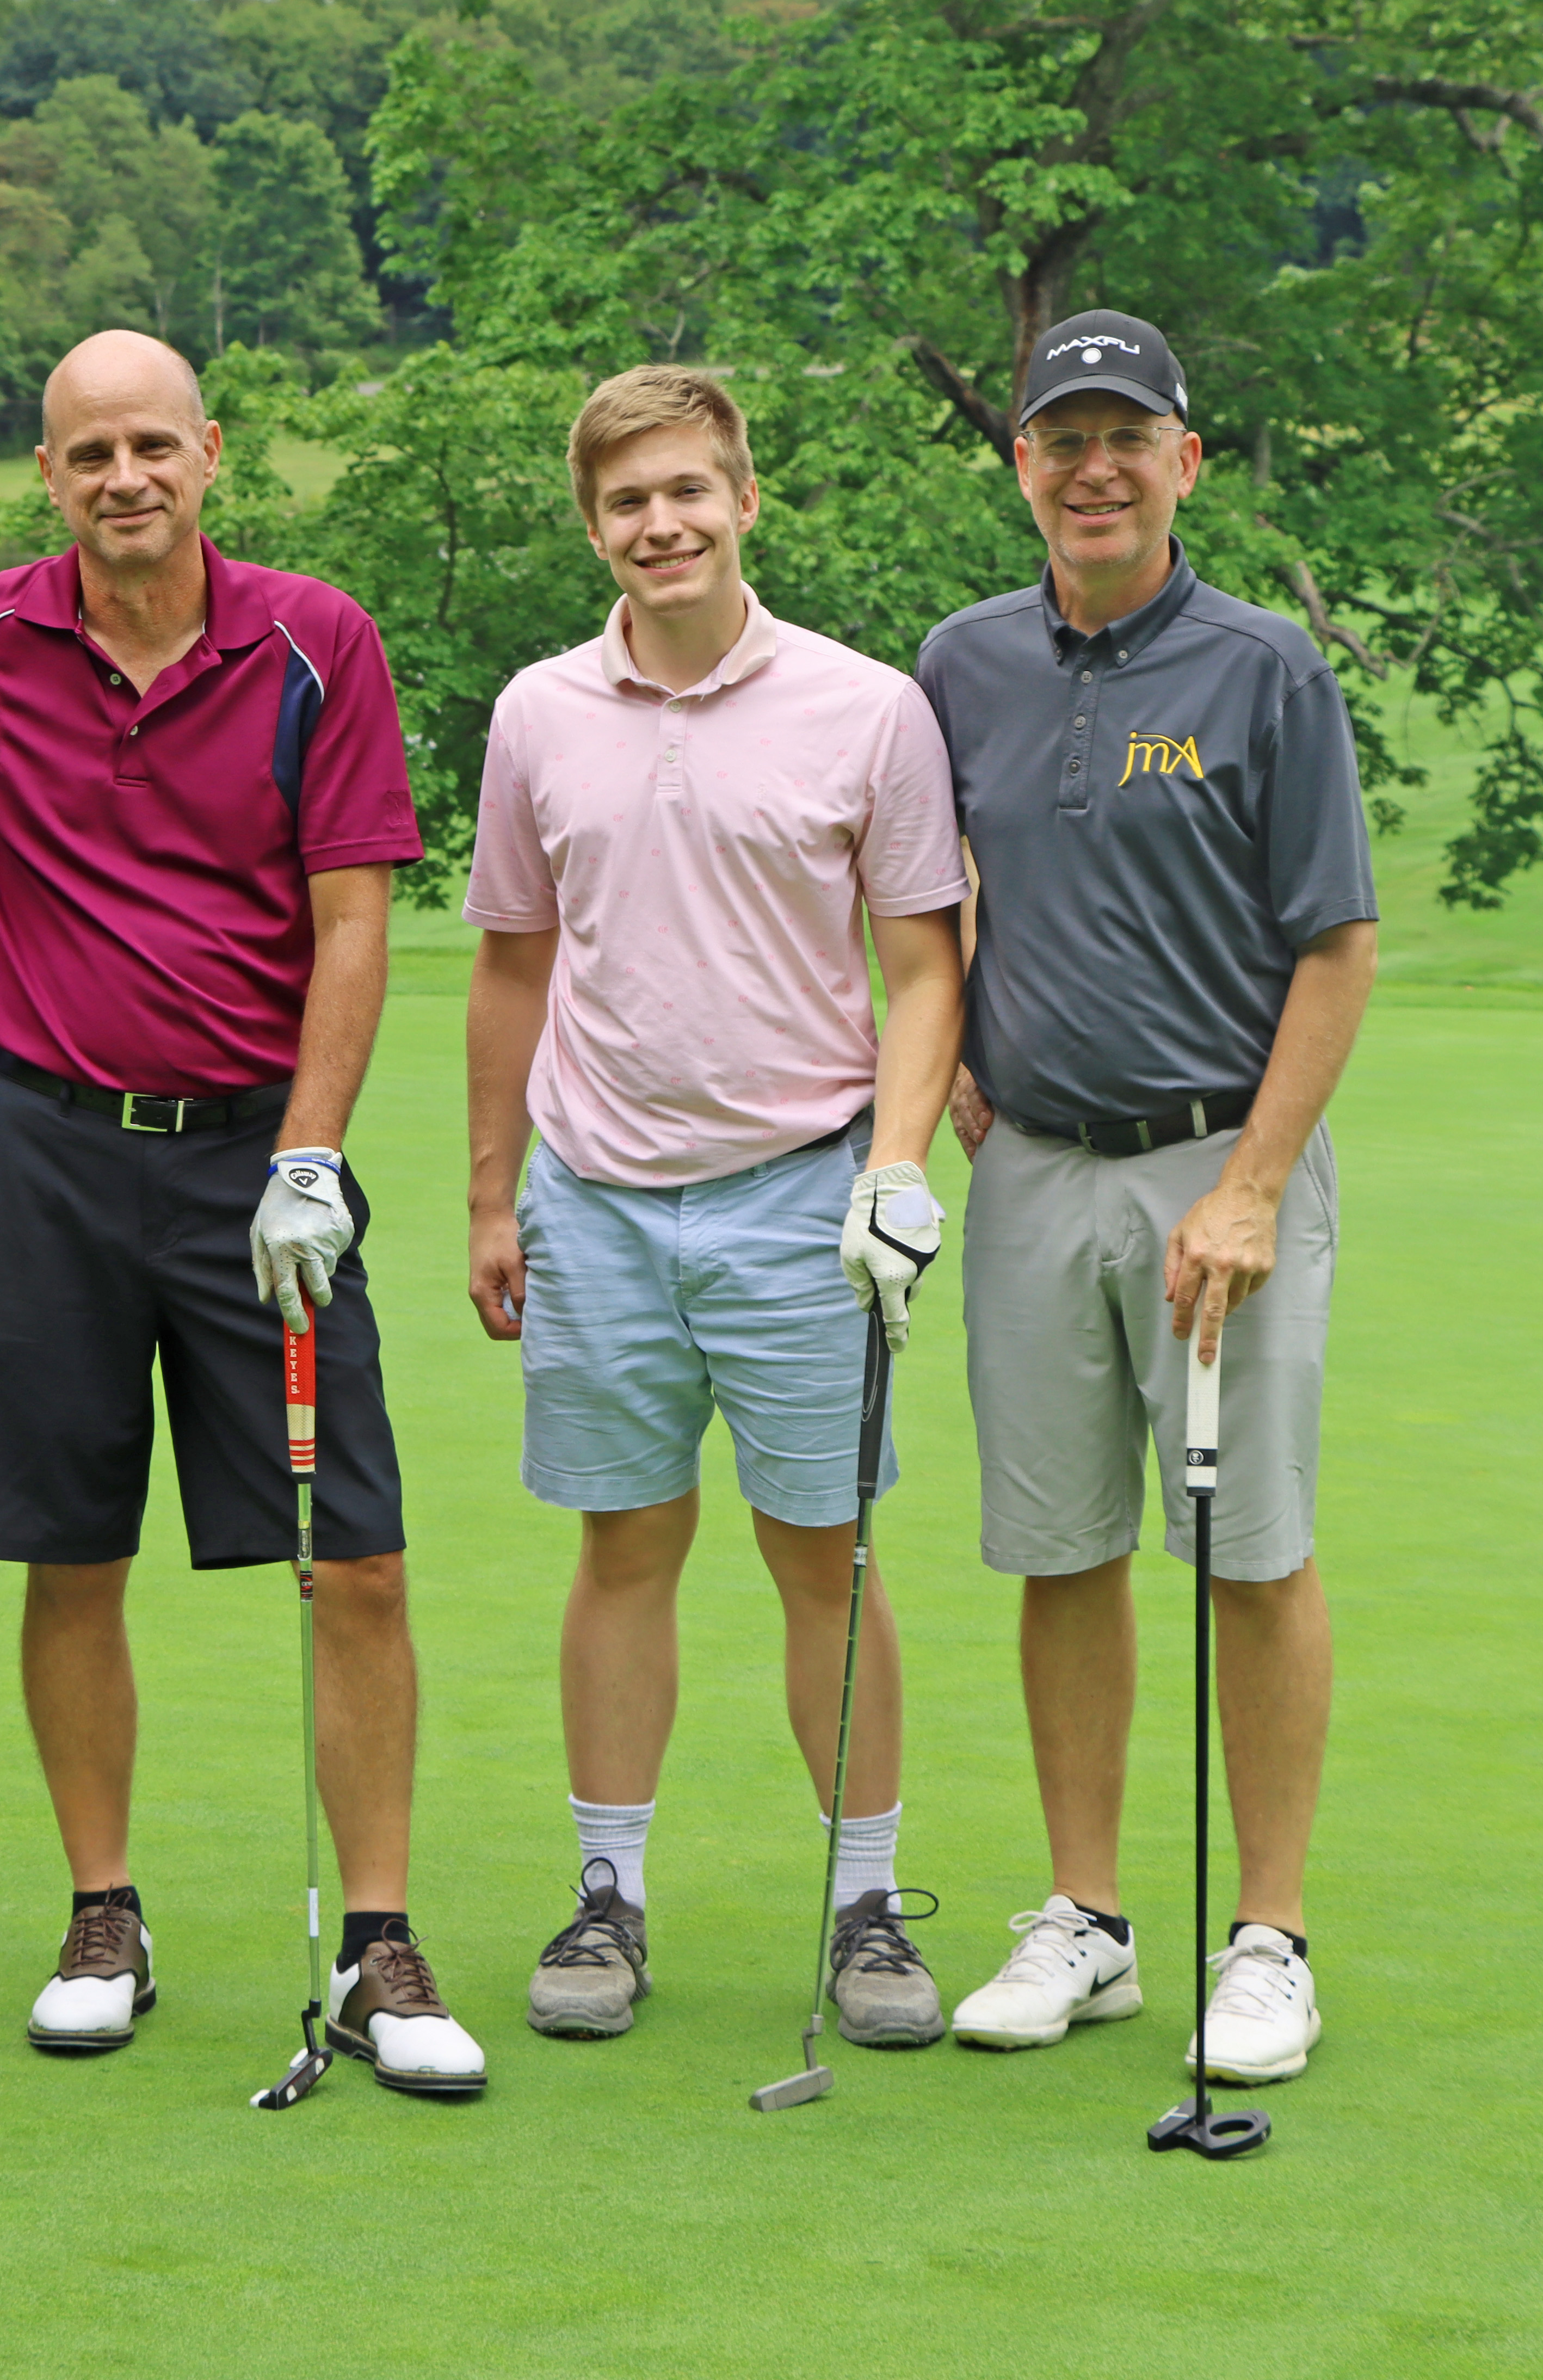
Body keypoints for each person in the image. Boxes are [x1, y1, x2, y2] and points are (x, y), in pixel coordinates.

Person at [0, 330, 485, 2095]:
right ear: (48, 477)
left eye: (153, 447)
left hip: (251, 1161)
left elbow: (355, 915)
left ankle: (377, 1943)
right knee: (73, 1546)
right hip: (43, 1149)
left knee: (351, 1550)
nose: (124, 478)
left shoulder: (312, 640)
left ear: (209, 456)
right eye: (88, 455)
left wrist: (310, 1149)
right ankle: (103, 1909)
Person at [462, 366, 972, 2050]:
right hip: (596, 1202)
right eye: (626, 503)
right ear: (594, 525)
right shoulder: (539, 710)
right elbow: (513, 968)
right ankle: (609, 1898)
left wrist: (896, 1168)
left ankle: (866, 1907)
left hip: (798, 1199)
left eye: (689, 490)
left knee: (824, 1557)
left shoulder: (868, 708)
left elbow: (922, 966)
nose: (660, 525)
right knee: (624, 1549)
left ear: (747, 498)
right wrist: (490, 1198)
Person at [917, 310, 1378, 2083]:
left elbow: (1335, 951)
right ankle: (1089, 1923)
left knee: (1249, 1552)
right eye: (1062, 437)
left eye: (1130, 436)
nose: (1093, 466)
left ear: (1187, 463)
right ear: (1021, 465)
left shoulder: (1266, 669)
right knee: (1060, 1550)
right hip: (1032, 1169)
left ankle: (1268, 1939)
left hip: (1219, 1166)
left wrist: (1253, 1187)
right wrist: (950, 1066)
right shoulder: (958, 664)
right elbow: (922, 903)